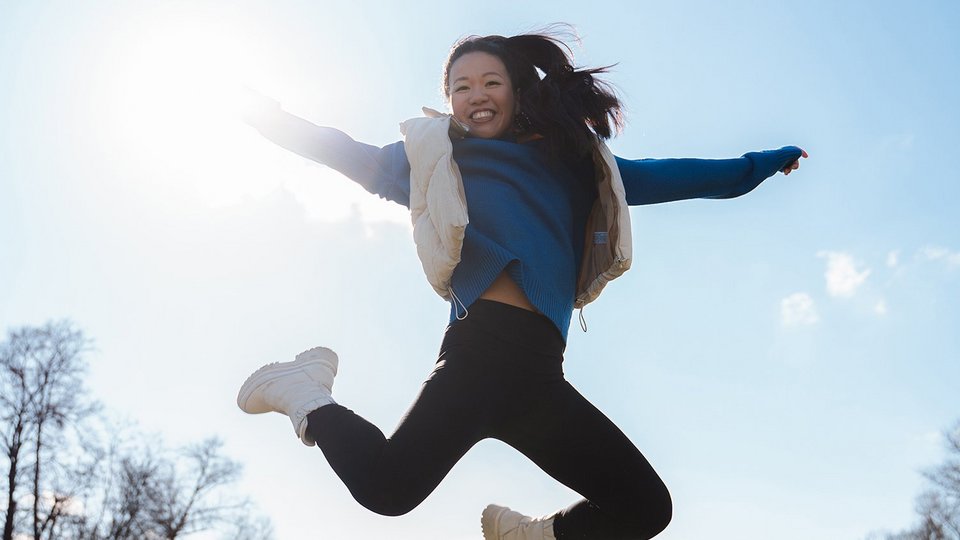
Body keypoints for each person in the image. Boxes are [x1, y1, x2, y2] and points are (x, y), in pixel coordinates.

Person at [236, 29, 806, 540]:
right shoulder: (436, 163)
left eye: (491, 81)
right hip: (477, 356)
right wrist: (268, 118)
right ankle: (306, 393)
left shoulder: (575, 165)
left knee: (645, 508)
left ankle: (533, 536)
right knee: (387, 490)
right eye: (460, 87)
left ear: (517, 90)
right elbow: (340, 149)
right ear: (449, 101)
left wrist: (758, 164)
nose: (475, 94)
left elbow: (677, 176)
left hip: (539, 376)